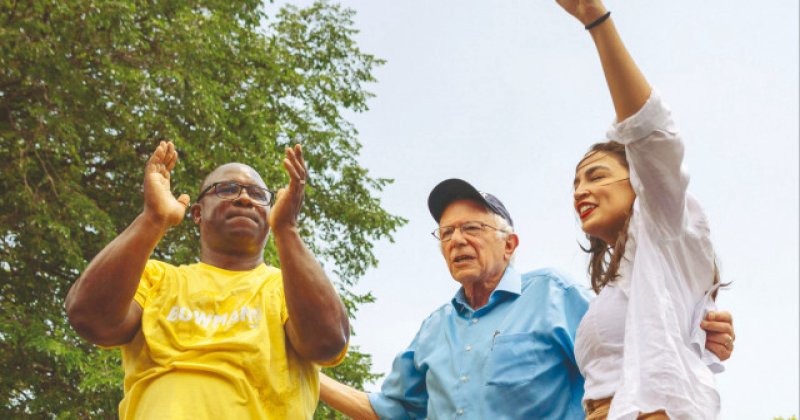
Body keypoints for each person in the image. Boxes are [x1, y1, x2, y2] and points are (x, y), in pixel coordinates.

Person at [318, 179, 734, 419]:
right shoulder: (432, 329)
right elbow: (388, 410)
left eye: (472, 229)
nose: (457, 241)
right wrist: (306, 375)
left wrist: (698, 337)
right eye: (446, 234)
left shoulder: (554, 294)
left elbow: (633, 353)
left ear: (510, 244)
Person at [65, 141, 349, 419]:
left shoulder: (288, 289)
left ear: (269, 211)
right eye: (227, 189)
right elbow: (89, 317)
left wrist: (287, 229)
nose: (244, 198)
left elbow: (327, 342)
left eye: (258, 194)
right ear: (197, 213)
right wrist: (152, 219)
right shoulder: (157, 278)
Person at [562, 0, 732, 418]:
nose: (580, 191)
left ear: (639, 183)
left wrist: (595, 19)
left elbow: (652, 135)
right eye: (576, 183)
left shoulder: (664, 223)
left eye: (597, 176)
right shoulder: (624, 283)